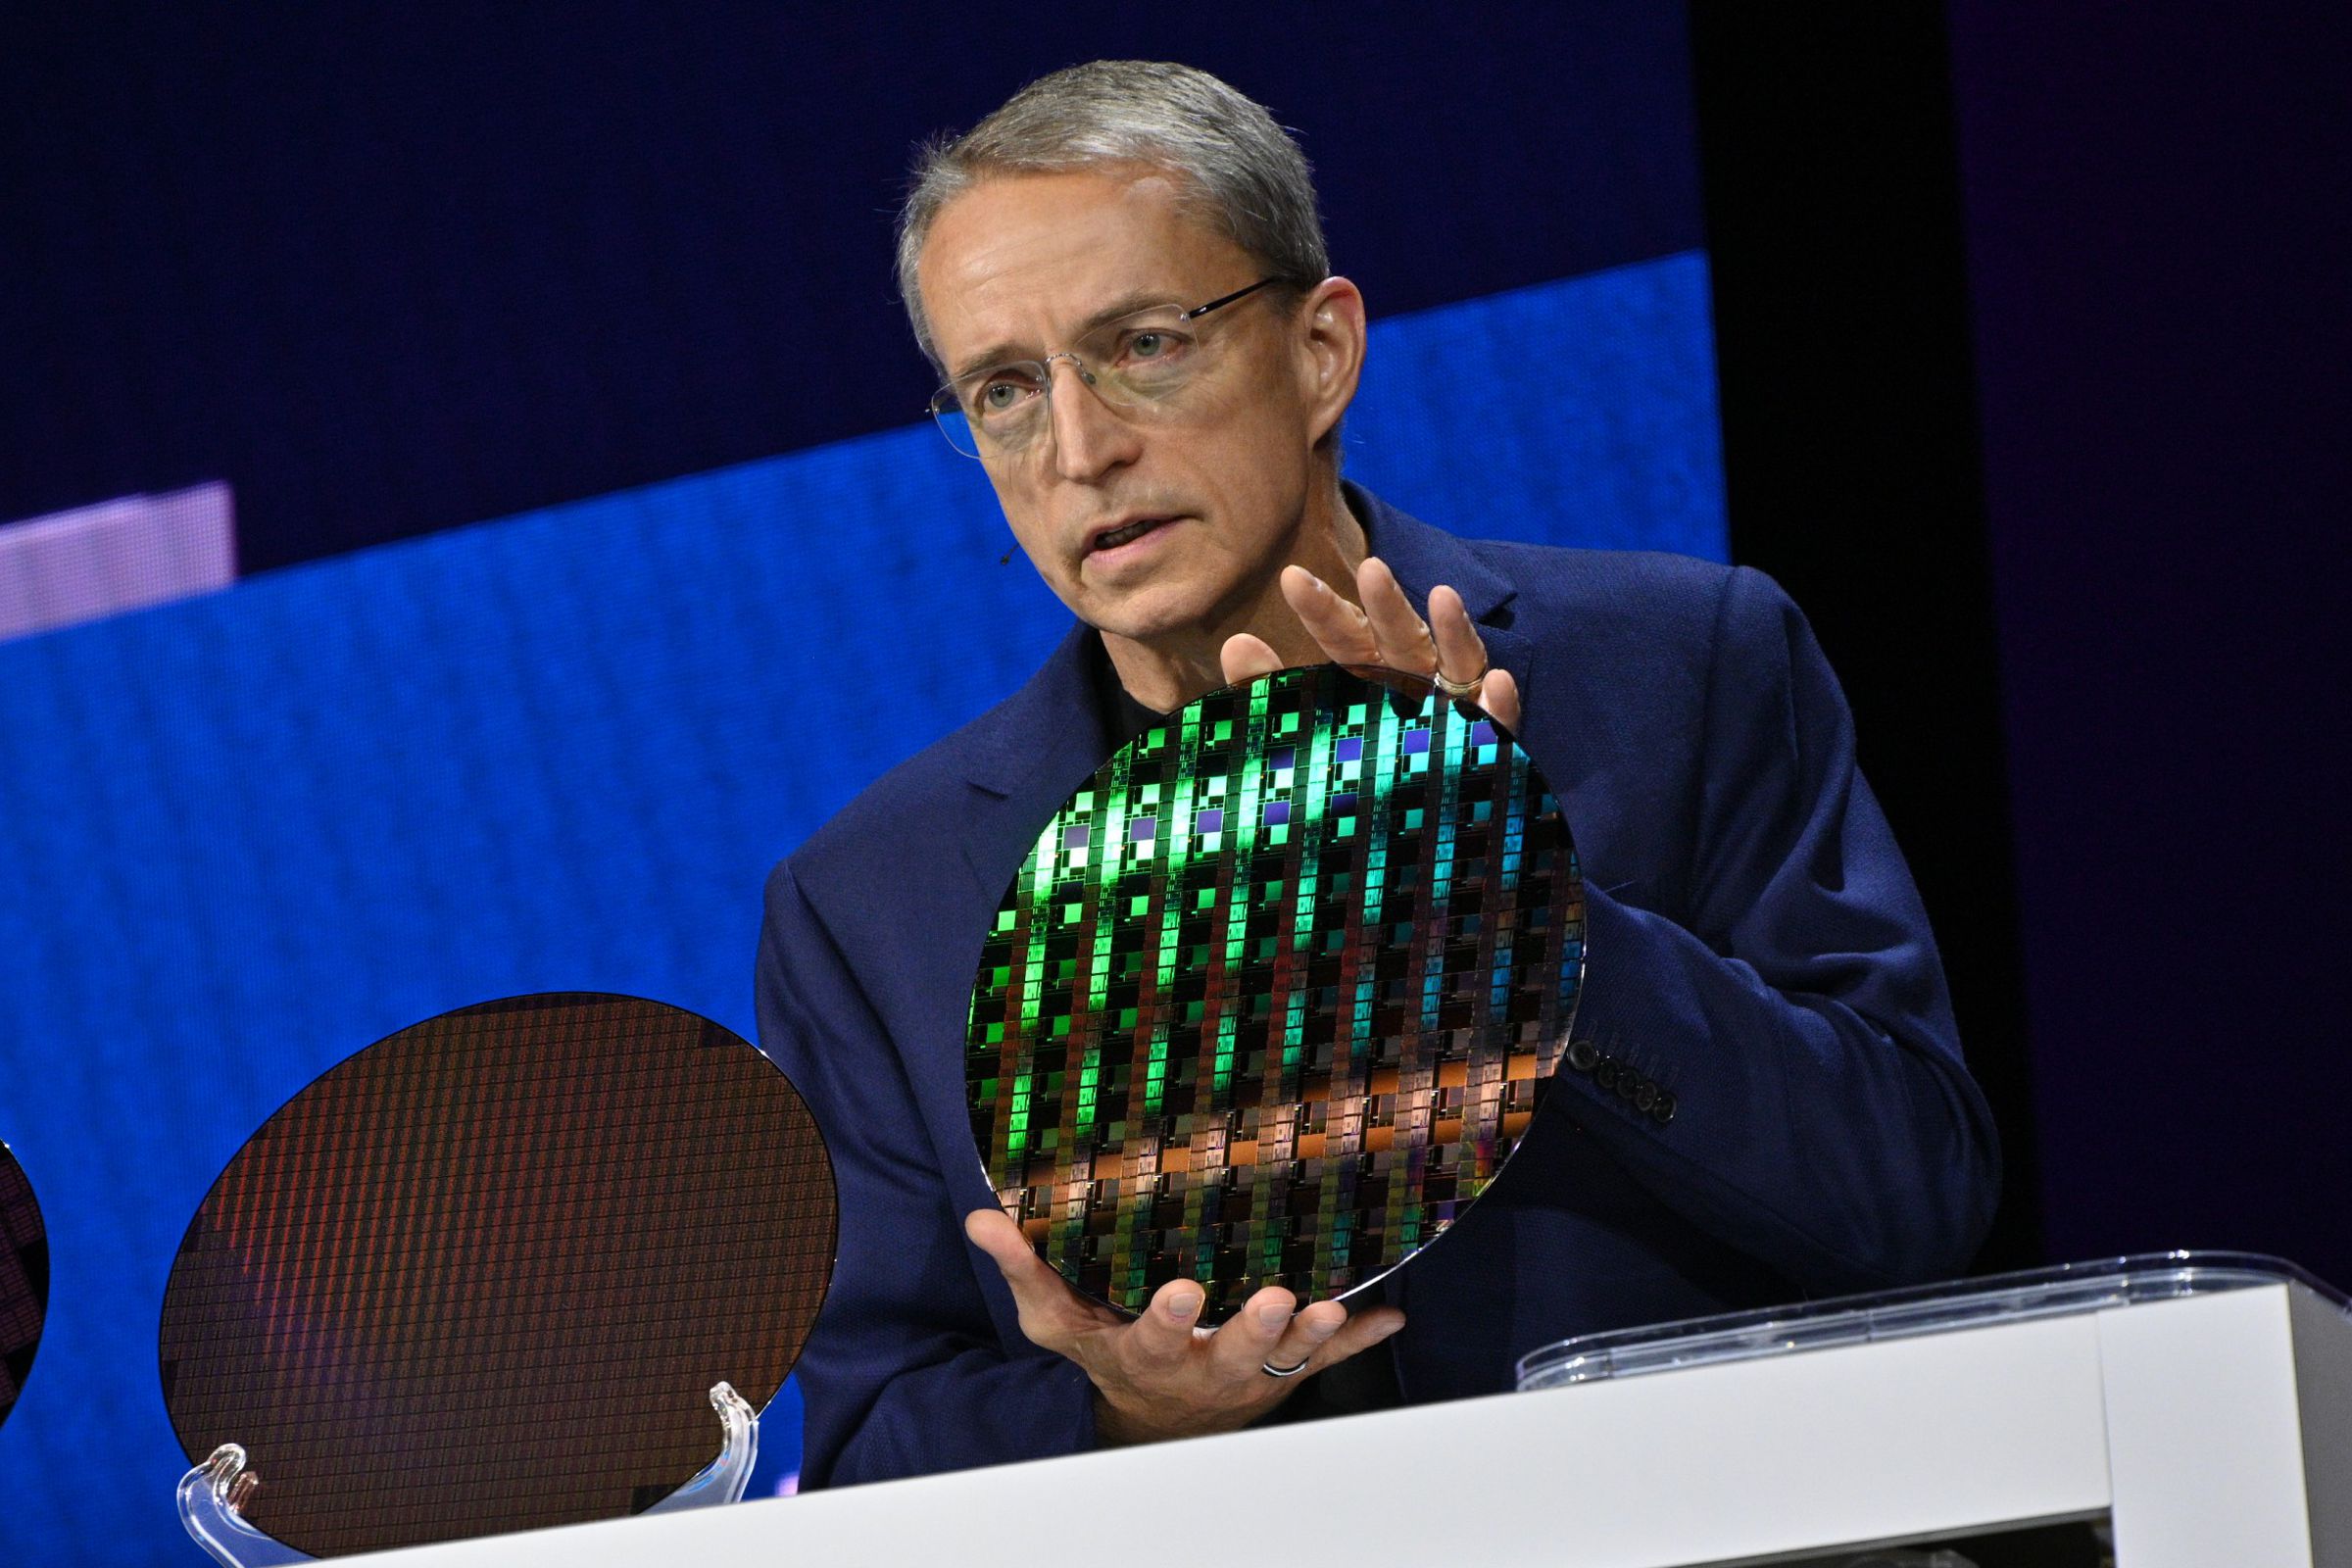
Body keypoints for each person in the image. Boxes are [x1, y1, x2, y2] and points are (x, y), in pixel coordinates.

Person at [756, 60, 2000, 1487]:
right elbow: (876, 1435)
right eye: (1006, 390)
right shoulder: (872, 901)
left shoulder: (1686, 665)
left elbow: (1915, 1196)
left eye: (1147, 343)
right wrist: (1129, 1414)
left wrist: (1522, 908)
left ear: (1322, 349)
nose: (1082, 449)